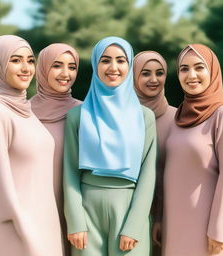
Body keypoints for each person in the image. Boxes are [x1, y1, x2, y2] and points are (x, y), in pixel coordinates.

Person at [63, 36, 157, 256]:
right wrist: (76, 221)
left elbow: (148, 174)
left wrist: (134, 225)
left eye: (121, 61)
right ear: (96, 65)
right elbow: (69, 171)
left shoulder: (145, 117)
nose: (113, 67)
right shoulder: (78, 116)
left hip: (129, 209)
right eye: (105, 60)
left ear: (130, 65)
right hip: (87, 211)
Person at [0, 35, 63, 256]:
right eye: (16, 60)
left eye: (30, 60)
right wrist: (26, 231)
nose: (26, 68)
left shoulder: (26, 110)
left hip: (44, 222)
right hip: (15, 226)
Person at [163, 44, 223, 256]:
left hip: (209, 231)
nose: (191, 75)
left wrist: (219, 229)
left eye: (199, 67)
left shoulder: (222, 114)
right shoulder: (178, 117)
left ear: (212, 71)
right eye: (184, 69)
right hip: (175, 226)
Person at [31, 43, 82, 255]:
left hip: (77, 209)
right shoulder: (23, 112)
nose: (65, 73)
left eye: (72, 67)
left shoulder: (84, 112)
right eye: (57, 65)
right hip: (35, 208)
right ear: (42, 68)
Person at [133, 51, 177, 255]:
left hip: (170, 215)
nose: (153, 79)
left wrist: (161, 216)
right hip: (128, 216)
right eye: (145, 73)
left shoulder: (179, 119)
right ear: (132, 76)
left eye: (159, 73)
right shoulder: (121, 119)